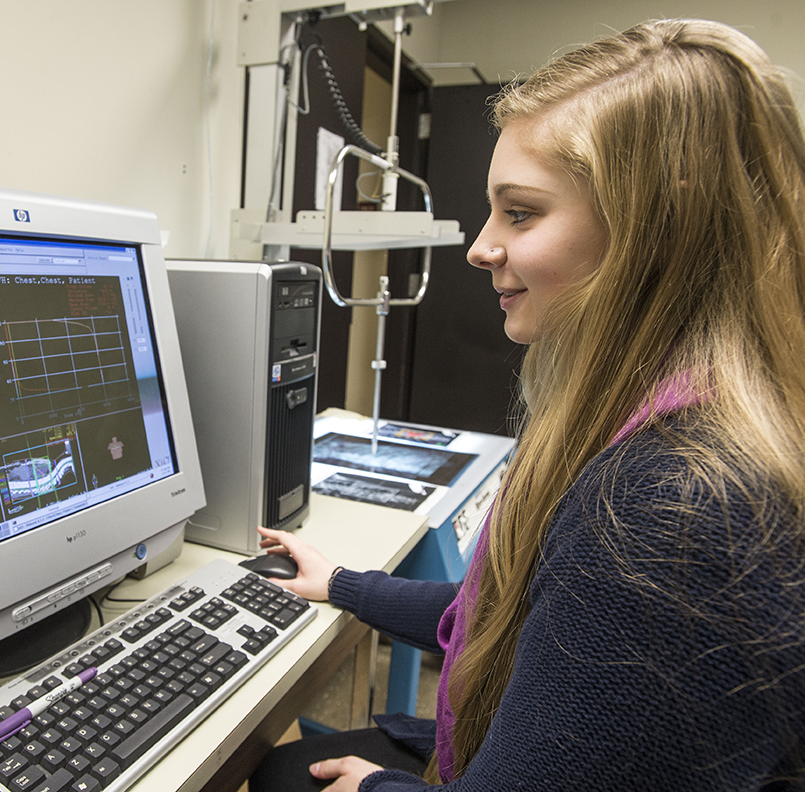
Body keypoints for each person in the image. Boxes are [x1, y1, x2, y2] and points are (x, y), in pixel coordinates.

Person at [248, 18, 805, 792]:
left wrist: (379, 789)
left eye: (521, 213)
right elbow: (521, 612)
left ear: (659, 228)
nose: (480, 247)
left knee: (278, 775)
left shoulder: (671, 513)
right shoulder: (658, 419)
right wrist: (346, 583)